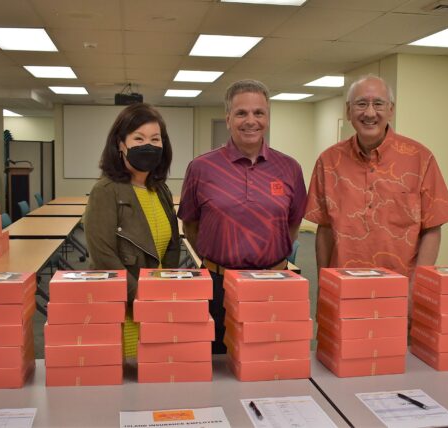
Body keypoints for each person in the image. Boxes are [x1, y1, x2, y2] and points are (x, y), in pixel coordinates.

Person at [178, 79, 307, 353]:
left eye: (258, 113)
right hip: (218, 287)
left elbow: (293, 224)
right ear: (228, 119)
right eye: (241, 113)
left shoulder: (289, 168)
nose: (251, 121)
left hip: (274, 284)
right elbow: (190, 223)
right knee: (217, 368)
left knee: (271, 361)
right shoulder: (201, 167)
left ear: (268, 117)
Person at [305, 74, 448, 288]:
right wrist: (325, 285)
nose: (369, 112)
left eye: (378, 103)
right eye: (361, 104)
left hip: (400, 289)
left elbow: (432, 229)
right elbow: (325, 228)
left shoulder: (420, 158)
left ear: (391, 110)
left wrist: (417, 287)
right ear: (348, 111)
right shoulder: (328, 161)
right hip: (343, 286)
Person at [85, 103, 181, 354]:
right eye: (138, 138)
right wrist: (140, 296)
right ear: (120, 144)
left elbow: (171, 247)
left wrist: (166, 292)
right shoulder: (105, 191)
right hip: (126, 309)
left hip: (159, 303)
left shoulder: (160, 189)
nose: (147, 145)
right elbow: (103, 257)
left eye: (155, 139)